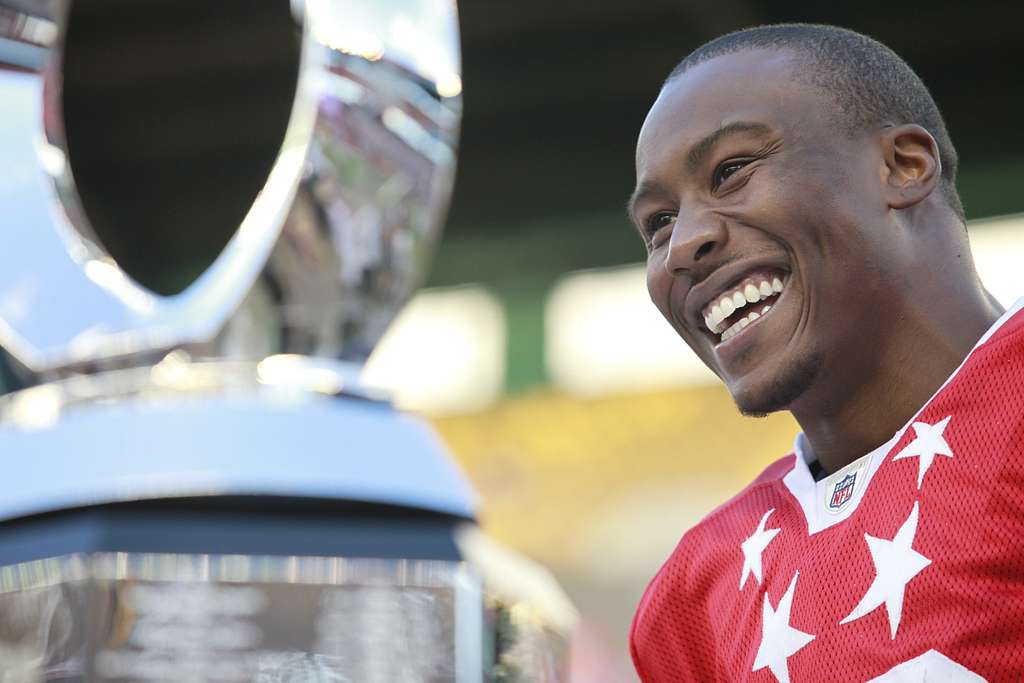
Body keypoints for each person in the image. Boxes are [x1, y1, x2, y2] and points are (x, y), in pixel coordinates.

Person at [626, 23, 1022, 682]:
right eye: (657, 223)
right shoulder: (694, 594)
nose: (683, 242)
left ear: (903, 166)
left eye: (731, 171)